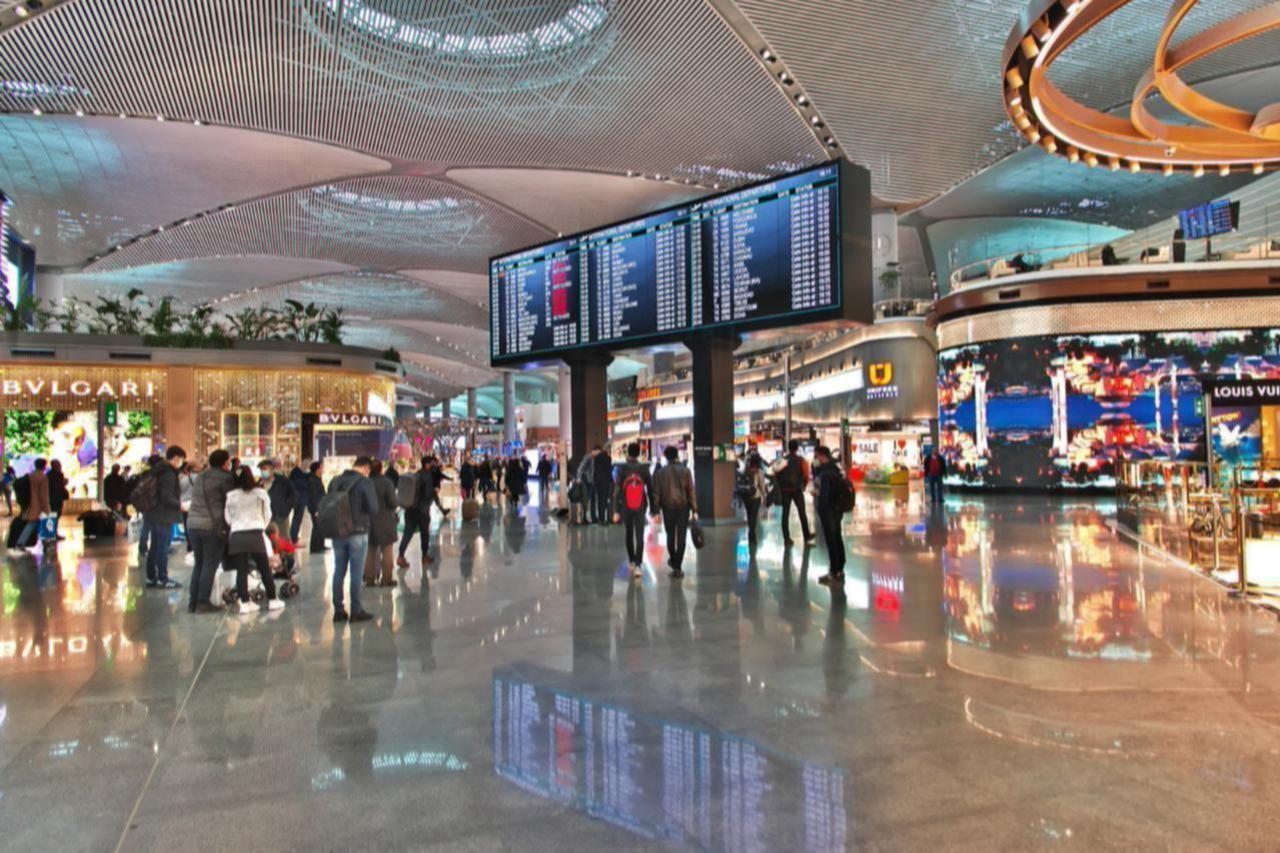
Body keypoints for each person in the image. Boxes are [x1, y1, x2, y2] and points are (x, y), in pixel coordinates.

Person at [224, 466, 282, 615]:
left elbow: (227, 517)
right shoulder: (260, 493)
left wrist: (236, 525)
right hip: (255, 534)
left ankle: (245, 603)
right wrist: (260, 525)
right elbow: (268, 513)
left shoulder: (231, 495)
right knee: (264, 568)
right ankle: (273, 599)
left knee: (241, 571)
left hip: (237, 535)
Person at [327, 456, 379, 623]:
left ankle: (338, 610)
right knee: (356, 572)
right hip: (358, 531)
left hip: (337, 531)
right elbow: (373, 508)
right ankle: (356, 610)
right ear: (365, 468)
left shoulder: (334, 481)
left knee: (339, 570)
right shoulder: (365, 482)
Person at [186, 448, 234, 613]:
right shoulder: (226, 478)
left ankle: (193, 602)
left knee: (199, 564)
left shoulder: (201, 476)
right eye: (229, 461)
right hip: (212, 527)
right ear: (224, 463)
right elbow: (231, 499)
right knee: (209, 564)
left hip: (192, 525)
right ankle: (202, 602)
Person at [142, 447, 186, 589]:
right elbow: (166, 496)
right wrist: (179, 505)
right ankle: (163, 577)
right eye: (181, 459)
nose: (181, 463)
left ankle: (151, 576)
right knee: (162, 546)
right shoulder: (168, 473)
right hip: (163, 515)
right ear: (175, 458)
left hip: (154, 514)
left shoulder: (158, 470)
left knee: (155, 546)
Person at [652, 445, 697, 579]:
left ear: (665, 457)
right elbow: (691, 491)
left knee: (670, 535)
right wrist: (695, 509)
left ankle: (674, 561)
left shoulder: (660, 473)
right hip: (683, 507)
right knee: (682, 536)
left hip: (668, 508)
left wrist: (656, 511)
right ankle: (677, 565)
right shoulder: (686, 471)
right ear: (677, 455)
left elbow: (656, 493)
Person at [612, 442, 654, 579]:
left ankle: (631, 561)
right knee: (640, 534)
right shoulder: (644, 468)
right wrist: (654, 510)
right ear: (638, 454)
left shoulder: (621, 469)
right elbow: (651, 489)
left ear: (627, 453)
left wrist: (616, 511)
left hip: (626, 506)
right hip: (640, 505)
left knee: (629, 534)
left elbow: (617, 490)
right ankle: (638, 565)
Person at [812, 447, 848, 588]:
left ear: (821, 456)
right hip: (838, 509)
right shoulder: (836, 468)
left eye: (816, 456)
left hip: (829, 511)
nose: (816, 459)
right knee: (837, 537)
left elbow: (825, 495)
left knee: (831, 540)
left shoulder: (826, 473)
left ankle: (834, 571)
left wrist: (819, 499)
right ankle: (840, 568)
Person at [363, 460, 399, 587]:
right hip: (385, 520)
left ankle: (369, 579)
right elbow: (393, 503)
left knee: (370, 551)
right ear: (380, 469)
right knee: (387, 550)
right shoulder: (386, 482)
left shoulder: (364, 483)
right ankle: (387, 579)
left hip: (368, 521)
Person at [772, 440, 814, 547]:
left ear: (788, 447)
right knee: (802, 513)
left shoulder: (782, 460)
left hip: (785, 491)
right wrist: (803, 486)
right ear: (797, 448)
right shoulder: (801, 460)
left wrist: (781, 486)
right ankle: (807, 536)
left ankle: (787, 539)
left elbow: (775, 474)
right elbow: (806, 475)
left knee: (785, 515)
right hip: (797, 490)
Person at [397, 455, 436, 568]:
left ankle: (400, 555)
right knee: (424, 534)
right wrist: (435, 492)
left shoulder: (417, 474)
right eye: (431, 463)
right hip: (422, 510)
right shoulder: (427, 476)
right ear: (427, 464)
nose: (432, 465)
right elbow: (428, 493)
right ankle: (425, 557)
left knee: (407, 533)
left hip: (410, 509)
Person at [13, 458, 50, 548]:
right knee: (38, 523)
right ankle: (44, 541)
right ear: (44, 466)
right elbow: (43, 494)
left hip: (30, 504)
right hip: (39, 505)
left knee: (34, 523)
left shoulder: (30, 475)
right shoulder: (43, 477)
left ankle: (23, 542)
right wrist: (46, 507)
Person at [259, 459, 297, 535]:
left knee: (282, 541)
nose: (263, 471)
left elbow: (294, 495)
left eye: (265, 469)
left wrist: (285, 509)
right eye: (261, 469)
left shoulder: (282, 481)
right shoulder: (259, 485)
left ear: (272, 470)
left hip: (280, 519)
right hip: (265, 519)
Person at [740, 452, 768, 546]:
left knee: (749, 515)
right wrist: (764, 496)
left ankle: (751, 534)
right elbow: (762, 485)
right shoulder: (758, 471)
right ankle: (752, 535)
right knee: (754, 517)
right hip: (755, 497)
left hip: (746, 496)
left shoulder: (746, 470)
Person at [288, 458, 311, 544]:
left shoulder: (304, 474)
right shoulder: (296, 472)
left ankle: (293, 535)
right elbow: (296, 484)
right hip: (297, 499)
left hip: (302, 499)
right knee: (297, 518)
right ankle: (293, 536)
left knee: (298, 518)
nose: (307, 467)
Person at [306, 460, 327, 552]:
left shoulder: (318, 479)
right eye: (321, 467)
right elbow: (313, 496)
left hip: (321, 506)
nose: (323, 469)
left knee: (321, 526)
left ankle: (321, 545)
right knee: (317, 527)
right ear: (317, 469)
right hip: (316, 508)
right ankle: (315, 548)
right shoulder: (313, 480)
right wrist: (315, 510)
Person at [592, 445, 614, 525]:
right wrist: (611, 480)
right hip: (606, 481)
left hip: (598, 482)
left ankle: (601, 519)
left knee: (600, 500)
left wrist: (595, 480)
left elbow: (595, 470)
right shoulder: (608, 458)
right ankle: (608, 518)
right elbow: (609, 471)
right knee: (605, 500)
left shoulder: (597, 458)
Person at [46, 459, 68, 539]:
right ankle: (53, 533)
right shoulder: (58, 475)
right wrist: (64, 483)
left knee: (52, 515)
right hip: (57, 498)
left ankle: (51, 533)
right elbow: (58, 486)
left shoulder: (48, 475)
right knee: (55, 515)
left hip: (51, 499)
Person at [576, 450, 596, 524]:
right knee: (585, 499)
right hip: (586, 481)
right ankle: (583, 517)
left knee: (587, 499)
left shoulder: (592, 458)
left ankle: (584, 517)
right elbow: (581, 468)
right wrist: (578, 478)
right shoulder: (588, 457)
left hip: (589, 481)